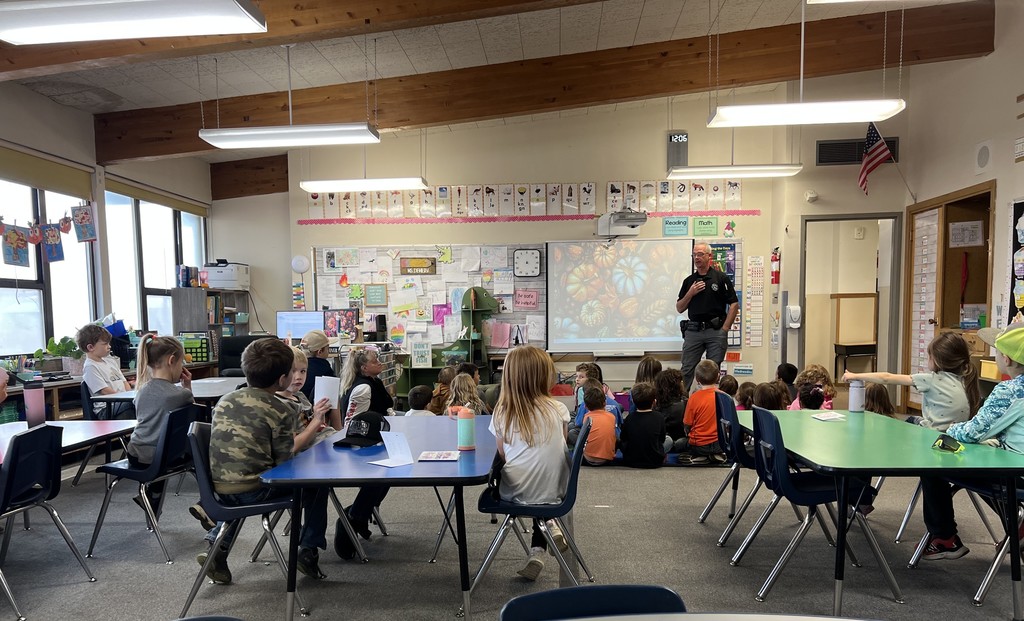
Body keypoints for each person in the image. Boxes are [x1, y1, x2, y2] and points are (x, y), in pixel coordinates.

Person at [203, 338, 330, 583]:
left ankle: (217, 545)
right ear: (283, 379)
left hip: (218, 488)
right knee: (317, 483)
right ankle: (308, 548)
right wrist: (315, 424)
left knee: (244, 477)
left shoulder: (225, 400)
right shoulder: (281, 410)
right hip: (256, 490)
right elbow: (286, 460)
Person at [920, 323, 1024, 560]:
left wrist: (949, 428)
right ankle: (1017, 526)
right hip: (1014, 468)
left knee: (933, 464)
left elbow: (973, 433)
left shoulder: (1010, 391)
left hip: (1015, 473)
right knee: (986, 464)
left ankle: (945, 538)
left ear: (1005, 359)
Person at [488, 345, 571, 581]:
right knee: (540, 494)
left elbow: (503, 455)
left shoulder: (502, 412)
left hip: (518, 491)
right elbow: (559, 447)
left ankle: (543, 538)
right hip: (557, 488)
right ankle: (543, 540)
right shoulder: (559, 408)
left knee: (522, 480)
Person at [843, 332, 980, 430]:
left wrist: (855, 375)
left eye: (929, 357)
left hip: (934, 436)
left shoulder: (931, 379)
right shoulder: (966, 379)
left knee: (901, 425)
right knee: (910, 420)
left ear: (937, 360)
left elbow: (887, 378)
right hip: (955, 434)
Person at [335, 346, 395, 558]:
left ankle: (360, 513)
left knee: (390, 474)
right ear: (364, 367)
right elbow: (354, 424)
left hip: (378, 440)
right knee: (383, 474)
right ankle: (354, 516)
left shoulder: (375, 382)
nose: (380, 362)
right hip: (362, 447)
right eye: (375, 360)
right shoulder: (363, 389)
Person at [128, 334, 194, 515]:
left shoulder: (140, 391)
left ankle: (152, 497)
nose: (182, 368)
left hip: (136, 453)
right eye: (181, 363)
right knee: (199, 450)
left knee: (161, 443)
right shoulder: (180, 395)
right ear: (172, 360)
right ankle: (207, 503)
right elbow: (192, 416)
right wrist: (187, 386)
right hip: (164, 457)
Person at [676, 242, 739, 393]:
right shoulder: (689, 281)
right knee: (686, 370)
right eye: (694, 254)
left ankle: (710, 403)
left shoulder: (721, 278)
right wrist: (690, 293)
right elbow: (679, 308)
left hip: (715, 331)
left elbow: (734, 305)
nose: (696, 258)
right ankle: (683, 405)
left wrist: (725, 329)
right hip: (693, 331)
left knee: (712, 372)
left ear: (709, 256)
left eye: (700, 254)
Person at [671, 359, 725, 464]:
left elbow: (687, 424)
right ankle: (715, 454)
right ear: (718, 376)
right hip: (720, 444)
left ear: (697, 378)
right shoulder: (724, 397)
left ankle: (701, 456)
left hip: (699, 445)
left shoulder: (694, 398)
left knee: (678, 443)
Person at [276, 346, 333, 439]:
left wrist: (319, 414)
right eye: (292, 371)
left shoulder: (300, 395)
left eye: (303, 371)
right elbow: (292, 446)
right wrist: (317, 420)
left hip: (327, 437)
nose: (299, 377)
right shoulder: (281, 405)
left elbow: (316, 425)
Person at [78, 323, 133, 419]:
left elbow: (124, 382)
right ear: (91, 347)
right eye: (105, 344)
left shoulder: (111, 361)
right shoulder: (90, 367)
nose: (109, 346)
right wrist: (127, 399)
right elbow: (104, 391)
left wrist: (131, 396)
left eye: (109, 343)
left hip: (122, 403)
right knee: (134, 406)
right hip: (106, 410)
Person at [298, 329, 341, 429]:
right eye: (328, 348)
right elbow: (333, 408)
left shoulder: (294, 371)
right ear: (320, 351)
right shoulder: (326, 373)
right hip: (316, 426)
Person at [619, 382, 666, 468]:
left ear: (633, 401)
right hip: (654, 461)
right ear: (654, 401)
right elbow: (662, 439)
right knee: (668, 440)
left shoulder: (629, 418)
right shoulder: (659, 417)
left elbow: (623, 438)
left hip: (631, 460)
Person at [568, 378, 622, 448]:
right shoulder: (614, 404)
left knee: (571, 429)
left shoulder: (585, 411)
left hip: (591, 446)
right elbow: (620, 422)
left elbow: (578, 424)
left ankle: (581, 449)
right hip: (613, 441)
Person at [580, 383, 617, 466]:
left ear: (585, 407)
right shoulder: (612, 417)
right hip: (606, 460)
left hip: (587, 458)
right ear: (605, 403)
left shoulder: (586, 417)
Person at [654, 368, 687, 447]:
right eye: (681, 381)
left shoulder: (654, 404)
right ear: (676, 385)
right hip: (680, 441)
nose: (683, 383)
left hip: (662, 442)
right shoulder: (685, 404)